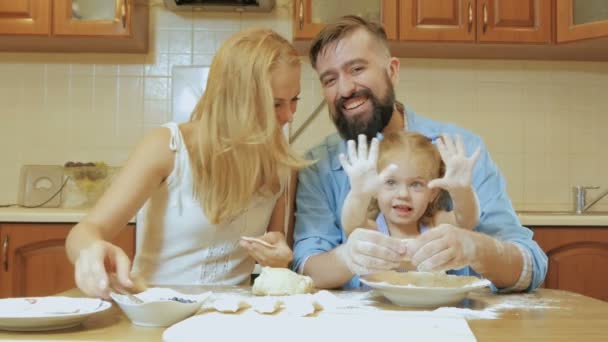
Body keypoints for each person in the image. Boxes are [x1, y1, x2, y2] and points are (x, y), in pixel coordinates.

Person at [292, 15, 547, 292]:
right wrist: (346, 258)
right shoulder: (318, 167)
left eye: (356, 69)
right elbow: (305, 268)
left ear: (392, 71)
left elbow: (531, 265)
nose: (345, 89)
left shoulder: (462, 151)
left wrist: (474, 247)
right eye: (330, 80)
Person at [66, 28, 308, 299]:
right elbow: (84, 232)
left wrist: (278, 260)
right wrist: (90, 251)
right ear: (234, 100)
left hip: (230, 318)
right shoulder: (168, 147)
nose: (289, 115)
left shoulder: (281, 163)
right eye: (275, 104)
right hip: (157, 313)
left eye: (294, 100)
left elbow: (275, 250)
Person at [340, 132, 480, 245]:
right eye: (390, 182)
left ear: (433, 193)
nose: (403, 194)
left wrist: (462, 191)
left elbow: (466, 221)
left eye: (416, 184)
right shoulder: (373, 232)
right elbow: (352, 226)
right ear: (375, 190)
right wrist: (359, 195)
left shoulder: (435, 227)